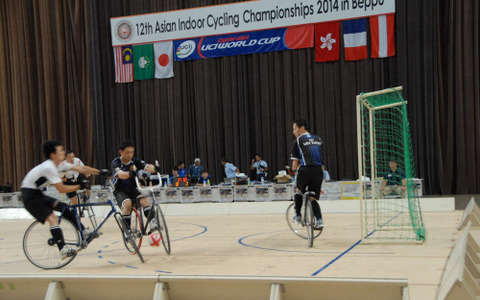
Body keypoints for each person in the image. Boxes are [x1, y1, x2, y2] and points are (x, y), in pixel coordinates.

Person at [21, 140, 109, 259]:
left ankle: (83, 230)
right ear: (53, 154)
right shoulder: (49, 167)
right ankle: (62, 249)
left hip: (36, 193)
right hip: (29, 196)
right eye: (61, 150)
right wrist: (80, 186)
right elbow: (61, 189)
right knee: (53, 219)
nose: (63, 152)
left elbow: (81, 168)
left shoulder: (60, 165)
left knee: (65, 208)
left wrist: (100, 172)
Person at [112, 141, 161, 234]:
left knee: (144, 200)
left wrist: (155, 168)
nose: (130, 155)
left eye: (132, 152)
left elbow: (146, 166)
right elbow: (120, 174)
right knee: (127, 204)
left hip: (133, 189)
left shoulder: (134, 161)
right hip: (120, 191)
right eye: (127, 152)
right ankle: (127, 231)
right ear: (120, 152)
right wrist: (130, 174)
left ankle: (153, 223)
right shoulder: (116, 162)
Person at [290, 119, 325, 229]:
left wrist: (293, 169)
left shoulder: (298, 141)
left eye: (295, 129)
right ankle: (319, 220)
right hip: (318, 171)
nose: (294, 132)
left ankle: (298, 216)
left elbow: (295, 164)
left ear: (302, 128)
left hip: (305, 170)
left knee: (299, 191)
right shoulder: (318, 139)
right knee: (312, 198)